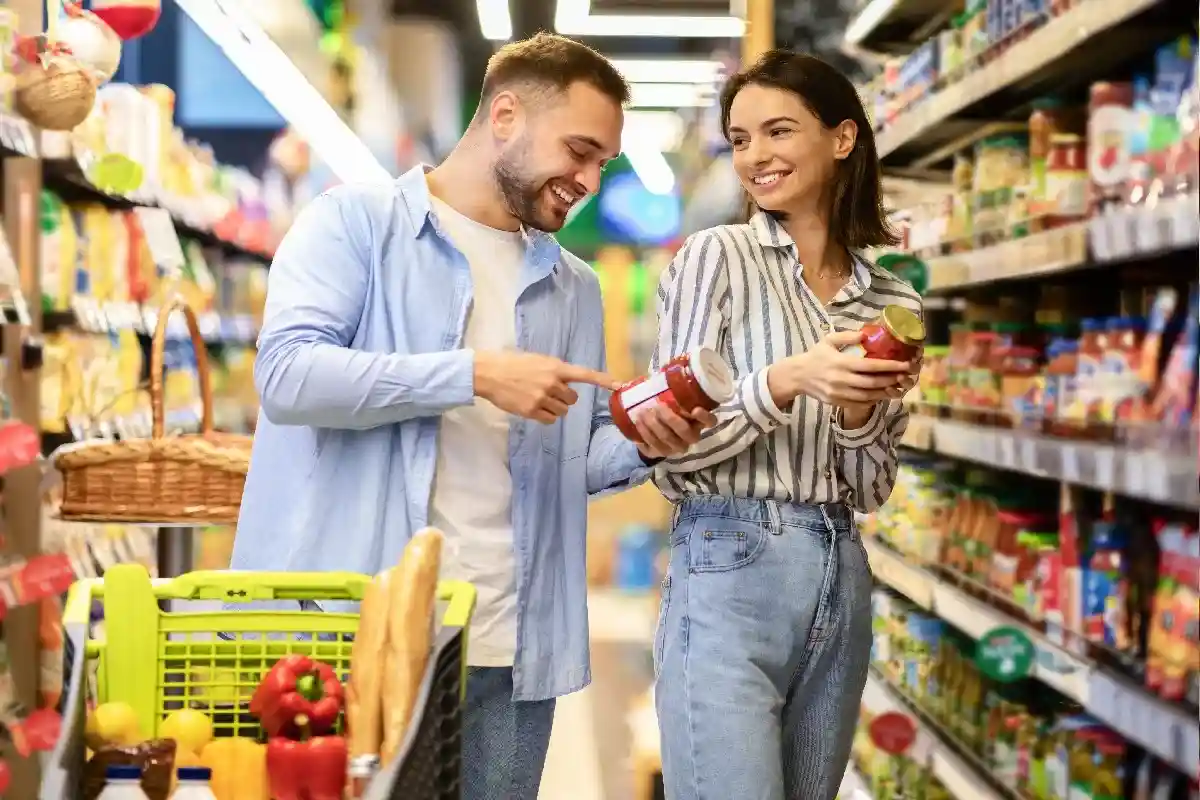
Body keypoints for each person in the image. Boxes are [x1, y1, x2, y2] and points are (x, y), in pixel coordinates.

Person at [232, 33, 714, 800]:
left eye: (602, 165)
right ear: (507, 114)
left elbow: (572, 460)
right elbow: (288, 378)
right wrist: (474, 375)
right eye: (580, 151)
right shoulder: (357, 225)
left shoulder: (573, 286)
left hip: (516, 645)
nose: (588, 181)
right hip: (365, 635)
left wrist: (645, 440)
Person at [646, 50, 923, 800]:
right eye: (739, 139)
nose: (755, 157)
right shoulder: (717, 259)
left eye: (777, 132)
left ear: (841, 139)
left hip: (842, 567)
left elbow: (871, 488)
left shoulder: (889, 298)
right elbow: (673, 452)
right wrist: (789, 379)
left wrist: (861, 410)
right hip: (730, 557)